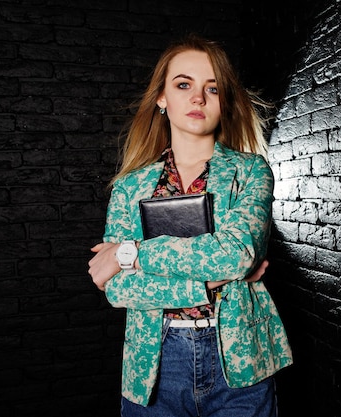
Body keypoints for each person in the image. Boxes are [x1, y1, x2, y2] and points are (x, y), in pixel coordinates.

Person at [87, 34, 293, 417]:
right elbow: (118, 288)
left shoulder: (250, 172)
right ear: (162, 98)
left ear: (224, 102)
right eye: (184, 85)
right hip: (153, 367)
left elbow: (234, 255)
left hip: (240, 365)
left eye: (212, 89)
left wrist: (129, 252)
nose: (197, 98)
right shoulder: (129, 186)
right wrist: (210, 281)